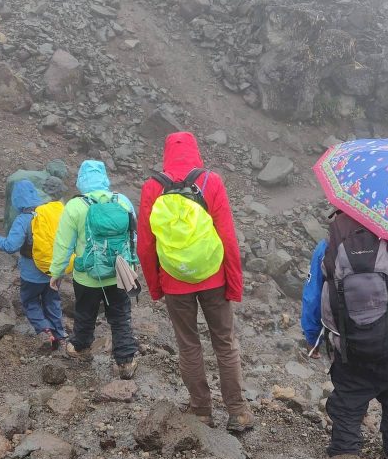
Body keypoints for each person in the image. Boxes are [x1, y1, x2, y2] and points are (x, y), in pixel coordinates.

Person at [137, 132, 256, 433]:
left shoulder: (152, 187)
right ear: (195, 151)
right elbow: (228, 237)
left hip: (175, 281)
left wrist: (155, 286)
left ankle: (202, 411)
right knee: (225, 344)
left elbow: (145, 245)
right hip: (214, 277)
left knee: (188, 345)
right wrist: (234, 283)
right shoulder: (210, 182)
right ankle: (238, 412)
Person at [301, 210, 388, 459]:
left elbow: (312, 298)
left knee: (347, 407)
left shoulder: (327, 248)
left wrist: (312, 338)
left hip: (349, 351)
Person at [49, 160, 139, 379]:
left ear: (81, 180)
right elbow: (132, 237)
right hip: (120, 273)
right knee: (120, 317)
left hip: (88, 276)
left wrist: (56, 272)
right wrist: (133, 265)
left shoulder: (75, 206)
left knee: (85, 313)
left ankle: (80, 347)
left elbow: (64, 244)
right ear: (105, 179)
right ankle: (126, 361)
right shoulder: (122, 201)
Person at [0, 180, 66, 350]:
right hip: (54, 269)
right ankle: (60, 335)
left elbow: (11, 246)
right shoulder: (49, 214)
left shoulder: (22, 220)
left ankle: (46, 331)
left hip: (31, 274)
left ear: (16, 199)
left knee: (30, 301)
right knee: (52, 301)